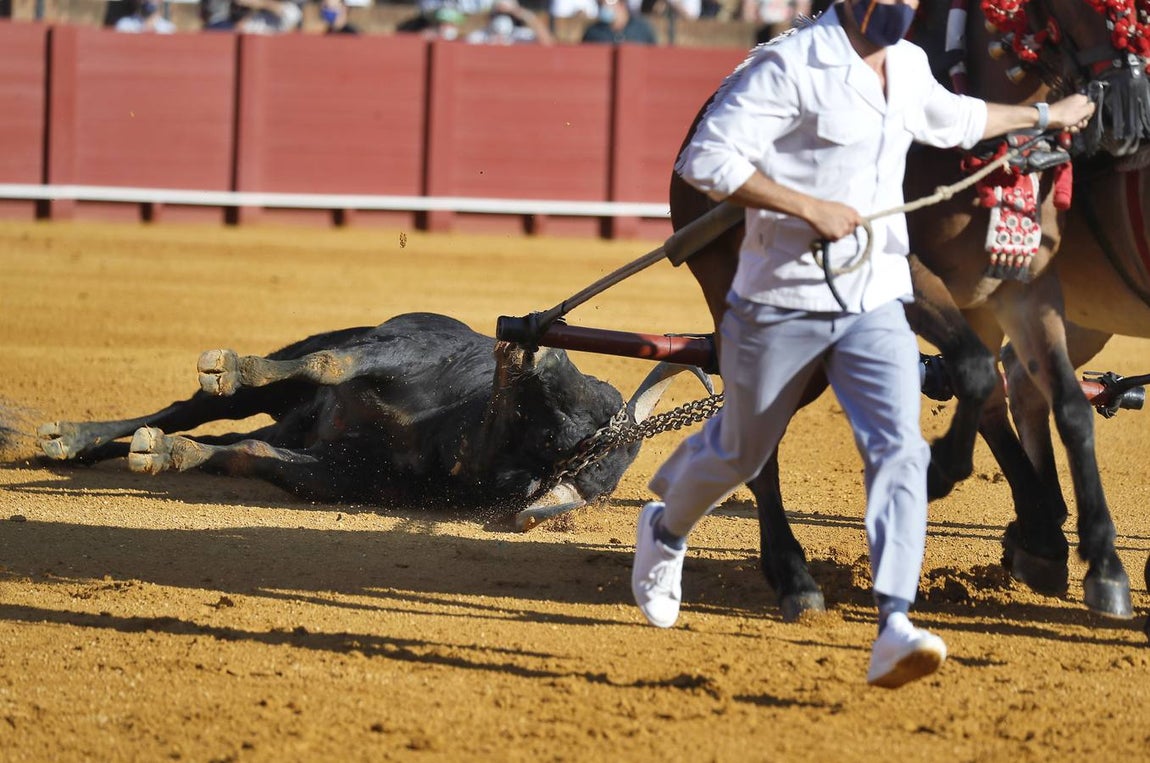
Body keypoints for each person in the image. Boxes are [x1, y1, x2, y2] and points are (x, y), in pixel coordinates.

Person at [629, 0, 1095, 689]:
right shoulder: (786, 64)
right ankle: (666, 529)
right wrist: (806, 206)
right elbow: (706, 158)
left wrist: (1045, 118)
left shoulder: (908, 66)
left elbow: (959, 119)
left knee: (899, 447)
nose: (902, 6)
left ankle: (895, 621)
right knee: (741, 445)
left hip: (875, 294)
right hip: (782, 296)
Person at [466, 0, 554, 44]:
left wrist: (520, 12)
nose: (502, 18)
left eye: (507, 14)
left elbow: (547, 41)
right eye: (498, 14)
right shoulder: (480, 36)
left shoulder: (520, 35)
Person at [581, 0, 657, 44]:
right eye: (600, 4)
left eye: (609, 2)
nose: (604, 6)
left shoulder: (641, 29)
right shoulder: (593, 32)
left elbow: (653, 55)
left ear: (622, 3)